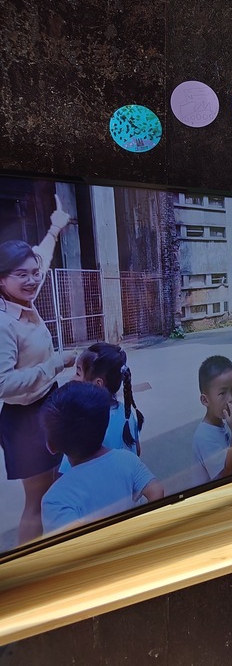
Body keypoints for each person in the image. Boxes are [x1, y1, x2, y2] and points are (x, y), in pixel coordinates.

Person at [0, 194, 76, 544]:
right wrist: (55, 364)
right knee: (36, 500)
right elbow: (3, 383)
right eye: (22, 275)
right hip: (26, 419)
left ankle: (57, 544)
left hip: (48, 405)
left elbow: (40, 259)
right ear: (2, 280)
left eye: (34, 274)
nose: (32, 280)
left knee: (55, 484)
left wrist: (55, 227)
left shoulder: (23, 298)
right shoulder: (4, 323)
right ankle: (31, 560)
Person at [40, 381, 163, 535]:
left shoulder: (55, 499)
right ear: (105, 424)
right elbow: (157, 491)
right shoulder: (127, 460)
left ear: (51, 446)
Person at [58, 342, 145, 475]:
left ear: (98, 384)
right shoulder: (126, 412)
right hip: (127, 485)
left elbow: (66, 474)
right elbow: (137, 450)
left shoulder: (85, 424)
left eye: (78, 373)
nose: (71, 379)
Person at [192, 355, 232, 483]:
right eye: (222, 393)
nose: (230, 398)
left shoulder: (221, 423)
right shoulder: (204, 437)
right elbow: (227, 476)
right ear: (205, 400)